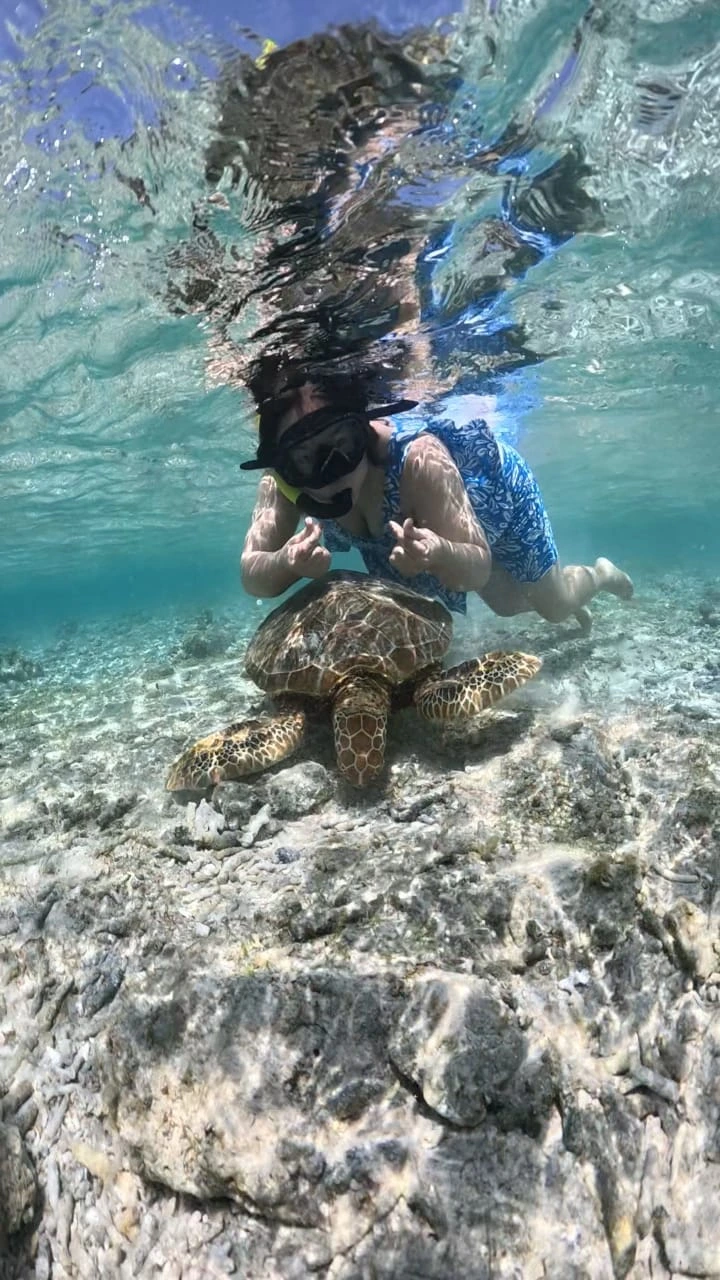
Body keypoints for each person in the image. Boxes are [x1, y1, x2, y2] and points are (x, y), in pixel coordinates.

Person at [239, 367, 633, 633]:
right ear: (282, 467)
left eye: (341, 444)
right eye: (304, 460)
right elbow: (252, 573)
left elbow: (476, 565)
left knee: (552, 606)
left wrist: (440, 552)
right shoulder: (283, 487)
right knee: (506, 602)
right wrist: (286, 562)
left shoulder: (417, 459)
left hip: (494, 495)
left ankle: (599, 574)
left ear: (363, 429)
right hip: (431, 540)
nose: (330, 473)